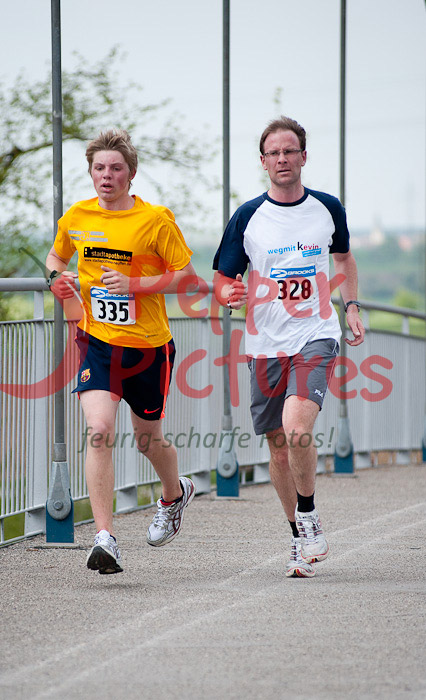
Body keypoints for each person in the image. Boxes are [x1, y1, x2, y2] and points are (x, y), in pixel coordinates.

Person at [213, 116, 365, 578]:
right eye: (274, 153)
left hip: (315, 334)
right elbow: (222, 278)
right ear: (263, 161)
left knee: (297, 429)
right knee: (278, 449)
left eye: (290, 151)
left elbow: (343, 258)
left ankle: (309, 511)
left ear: (303, 156)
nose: (282, 159)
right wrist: (228, 294)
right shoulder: (247, 217)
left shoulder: (327, 208)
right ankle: (298, 537)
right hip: (264, 344)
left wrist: (351, 305)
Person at [46, 129, 196, 575]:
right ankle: (105, 537)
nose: (106, 175)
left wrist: (135, 284)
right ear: (91, 172)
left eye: (115, 168)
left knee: (148, 439)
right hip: (98, 343)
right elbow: (55, 259)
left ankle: (174, 494)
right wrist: (56, 281)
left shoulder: (155, 220)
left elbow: (186, 276)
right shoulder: (77, 216)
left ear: (131, 174)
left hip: (149, 348)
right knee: (99, 429)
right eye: (99, 168)